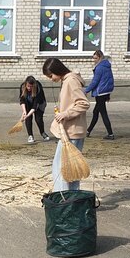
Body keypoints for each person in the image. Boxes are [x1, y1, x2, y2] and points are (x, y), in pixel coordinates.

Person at [42, 56, 90, 191]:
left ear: (56, 70)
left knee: (60, 167)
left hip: (71, 132)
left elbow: (83, 103)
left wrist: (65, 114)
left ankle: (62, 197)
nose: (51, 79)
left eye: (51, 75)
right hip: (73, 130)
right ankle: (73, 197)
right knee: (72, 168)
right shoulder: (68, 81)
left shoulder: (71, 81)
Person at [83, 49, 115, 139]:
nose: (94, 60)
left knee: (103, 113)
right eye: (93, 58)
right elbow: (109, 80)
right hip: (105, 92)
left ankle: (110, 134)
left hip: (100, 93)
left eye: (96, 58)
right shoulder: (107, 66)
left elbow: (95, 82)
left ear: (100, 57)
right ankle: (88, 131)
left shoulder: (100, 68)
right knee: (95, 112)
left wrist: (86, 90)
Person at [18, 76, 50, 143]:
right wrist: (24, 112)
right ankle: (30, 135)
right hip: (28, 103)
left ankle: (42, 132)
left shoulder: (38, 88)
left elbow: (35, 105)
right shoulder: (22, 87)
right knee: (28, 119)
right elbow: (22, 100)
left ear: (34, 85)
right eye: (28, 86)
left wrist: (28, 114)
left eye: (31, 86)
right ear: (25, 84)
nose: (29, 88)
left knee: (38, 119)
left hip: (39, 104)